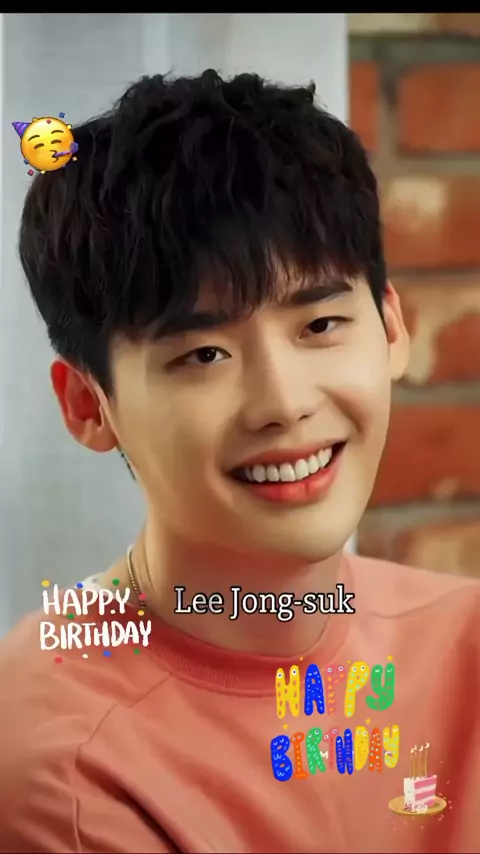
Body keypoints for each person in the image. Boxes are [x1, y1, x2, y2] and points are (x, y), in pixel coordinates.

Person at [0, 71, 478, 854]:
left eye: (320, 325)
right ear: (88, 405)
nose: (282, 403)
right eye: (203, 355)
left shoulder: (465, 642)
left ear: (392, 328)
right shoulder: (64, 762)